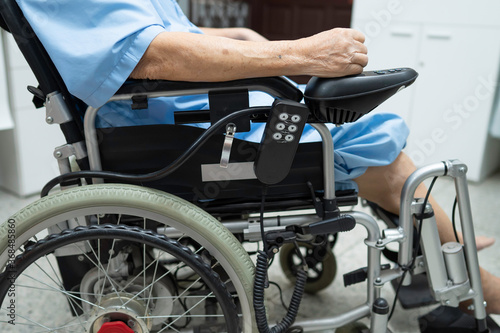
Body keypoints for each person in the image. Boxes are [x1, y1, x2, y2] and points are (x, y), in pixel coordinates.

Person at [16, 0, 499, 315]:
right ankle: (467, 277)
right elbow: (148, 57)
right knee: (377, 152)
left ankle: (438, 240)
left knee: (364, 136)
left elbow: (162, 35)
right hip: (180, 135)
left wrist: (242, 40)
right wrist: (299, 53)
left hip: (183, 118)